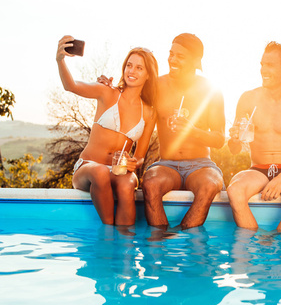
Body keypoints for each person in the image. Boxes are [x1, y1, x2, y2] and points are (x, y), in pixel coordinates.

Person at [56, 36, 158, 226]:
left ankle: (125, 246)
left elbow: (141, 156)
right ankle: (109, 234)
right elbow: (71, 86)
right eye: (129, 65)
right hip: (88, 167)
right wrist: (60, 60)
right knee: (101, 172)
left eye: (139, 67)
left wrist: (133, 163)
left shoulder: (149, 112)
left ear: (148, 74)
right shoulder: (107, 92)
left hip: (118, 171)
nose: (131, 71)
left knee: (129, 183)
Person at [227, 42, 281, 231]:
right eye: (262, 64)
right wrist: (233, 140)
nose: (263, 70)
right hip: (258, 169)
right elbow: (234, 149)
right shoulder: (248, 99)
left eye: (270, 65)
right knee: (234, 190)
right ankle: (254, 245)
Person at [142, 33, 225, 230]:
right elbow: (127, 94)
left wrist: (193, 130)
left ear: (196, 61)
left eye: (180, 56)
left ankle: (182, 237)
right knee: (150, 183)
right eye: (171, 54)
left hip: (200, 165)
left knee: (210, 185)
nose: (172, 60)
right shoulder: (157, 86)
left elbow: (220, 139)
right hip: (166, 164)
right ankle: (160, 243)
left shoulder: (210, 91)